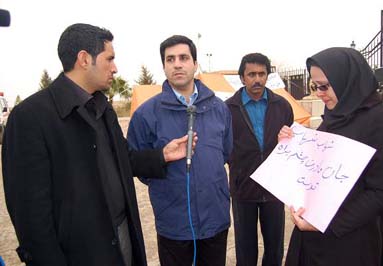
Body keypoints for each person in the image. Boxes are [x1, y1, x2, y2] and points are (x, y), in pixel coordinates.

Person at [2, 23, 194, 266]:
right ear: (84, 59)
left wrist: (162, 156)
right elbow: (30, 217)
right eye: (109, 59)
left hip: (122, 238)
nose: (115, 68)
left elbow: (125, 160)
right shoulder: (30, 117)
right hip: (79, 253)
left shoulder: (103, 109)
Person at [279, 47, 383, 266]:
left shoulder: (382, 122)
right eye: (315, 86)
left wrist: (328, 222)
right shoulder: (334, 117)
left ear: (348, 80)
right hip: (311, 238)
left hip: (352, 241)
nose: (319, 93)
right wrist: (289, 145)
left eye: (324, 86)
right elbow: (318, 167)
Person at [127, 35, 233, 266]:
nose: (177, 64)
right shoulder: (145, 114)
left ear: (195, 64)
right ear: (163, 66)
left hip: (215, 218)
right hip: (173, 224)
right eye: (170, 59)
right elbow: (134, 162)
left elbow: (224, 153)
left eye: (184, 58)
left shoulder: (219, 109)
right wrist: (163, 161)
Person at [225, 53, 294, 266]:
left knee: (275, 249)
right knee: (245, 250)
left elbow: (292, 140)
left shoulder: (282, 105)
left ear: (267, 75)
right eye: (251, 74)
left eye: (262, 74)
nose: (257, 79)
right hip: (243, 187)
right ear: (242, 77)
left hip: (274, 188)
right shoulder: (227, 108)